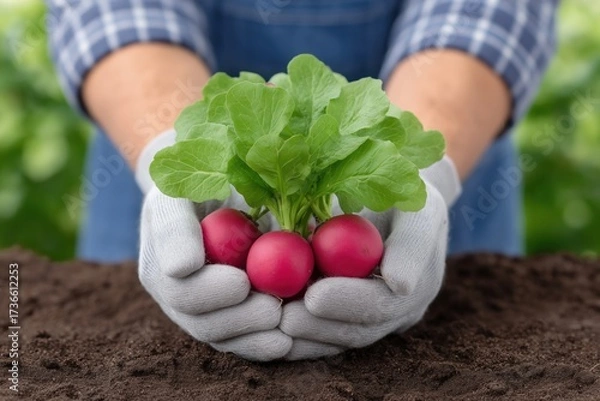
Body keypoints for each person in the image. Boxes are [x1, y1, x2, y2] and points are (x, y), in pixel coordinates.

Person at [46, 0, 558, 361]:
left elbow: (487, 10)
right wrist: (166, 145)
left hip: (451, 119)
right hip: (151, 112)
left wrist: (424, 173)